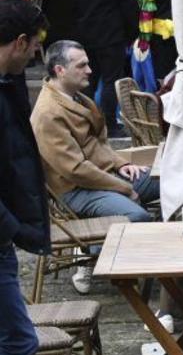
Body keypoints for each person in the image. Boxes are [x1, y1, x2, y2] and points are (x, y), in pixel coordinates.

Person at [32, 41, 160, 286]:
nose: (90, 70)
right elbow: (75, 170)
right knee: (137, 217)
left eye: (88, 63)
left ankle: (166, 259)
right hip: (75, 190)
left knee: (174, 184)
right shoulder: (48, 113)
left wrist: (120, 163)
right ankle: (96, 255)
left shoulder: (76, 97)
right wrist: (122, 187)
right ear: (60, 70)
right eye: (82, 65)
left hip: (101, 176)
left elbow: (97, 143)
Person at [0, 0, 49, 355]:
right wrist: (10, 226)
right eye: (34, 44)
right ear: (18, 43)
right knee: (18, 343)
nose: (36, 52)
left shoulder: (8, 83)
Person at [70, 0, 139, 136]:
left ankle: (85, 122)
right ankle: (109, 122)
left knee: (87, 79)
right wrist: (131, 33)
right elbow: (129, 6)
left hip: (85, 34)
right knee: (111, 79)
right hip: (111, 34)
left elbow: (73, 5)